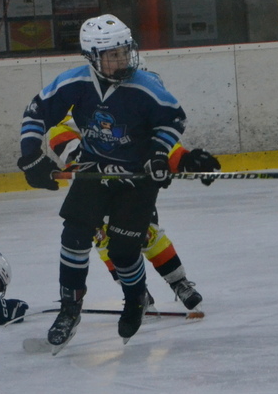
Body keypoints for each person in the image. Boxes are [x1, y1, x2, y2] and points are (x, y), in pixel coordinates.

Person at [17, 13, 187, 348]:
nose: (122, 59)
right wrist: (30, 156)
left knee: (123, 251)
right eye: (112, 54)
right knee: (74, 235)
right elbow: (36, 113)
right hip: (95, 170)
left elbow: (173, 121)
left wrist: (157, 154)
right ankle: (69, 308)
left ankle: (135, 299)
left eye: (124, 51)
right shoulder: (75, 82)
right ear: (92, 57)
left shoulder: (145, 86)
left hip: (136, 179)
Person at [47, 112, 220, 310]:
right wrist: (81, 158)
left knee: (147, 234)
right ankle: (136, 293)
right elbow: (60, 131)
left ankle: (179, 282)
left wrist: (184, 160)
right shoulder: (79, 105)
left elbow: (154, 139)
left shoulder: (131, 104)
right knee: (104, 240)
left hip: (132, 188)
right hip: (92, 189)